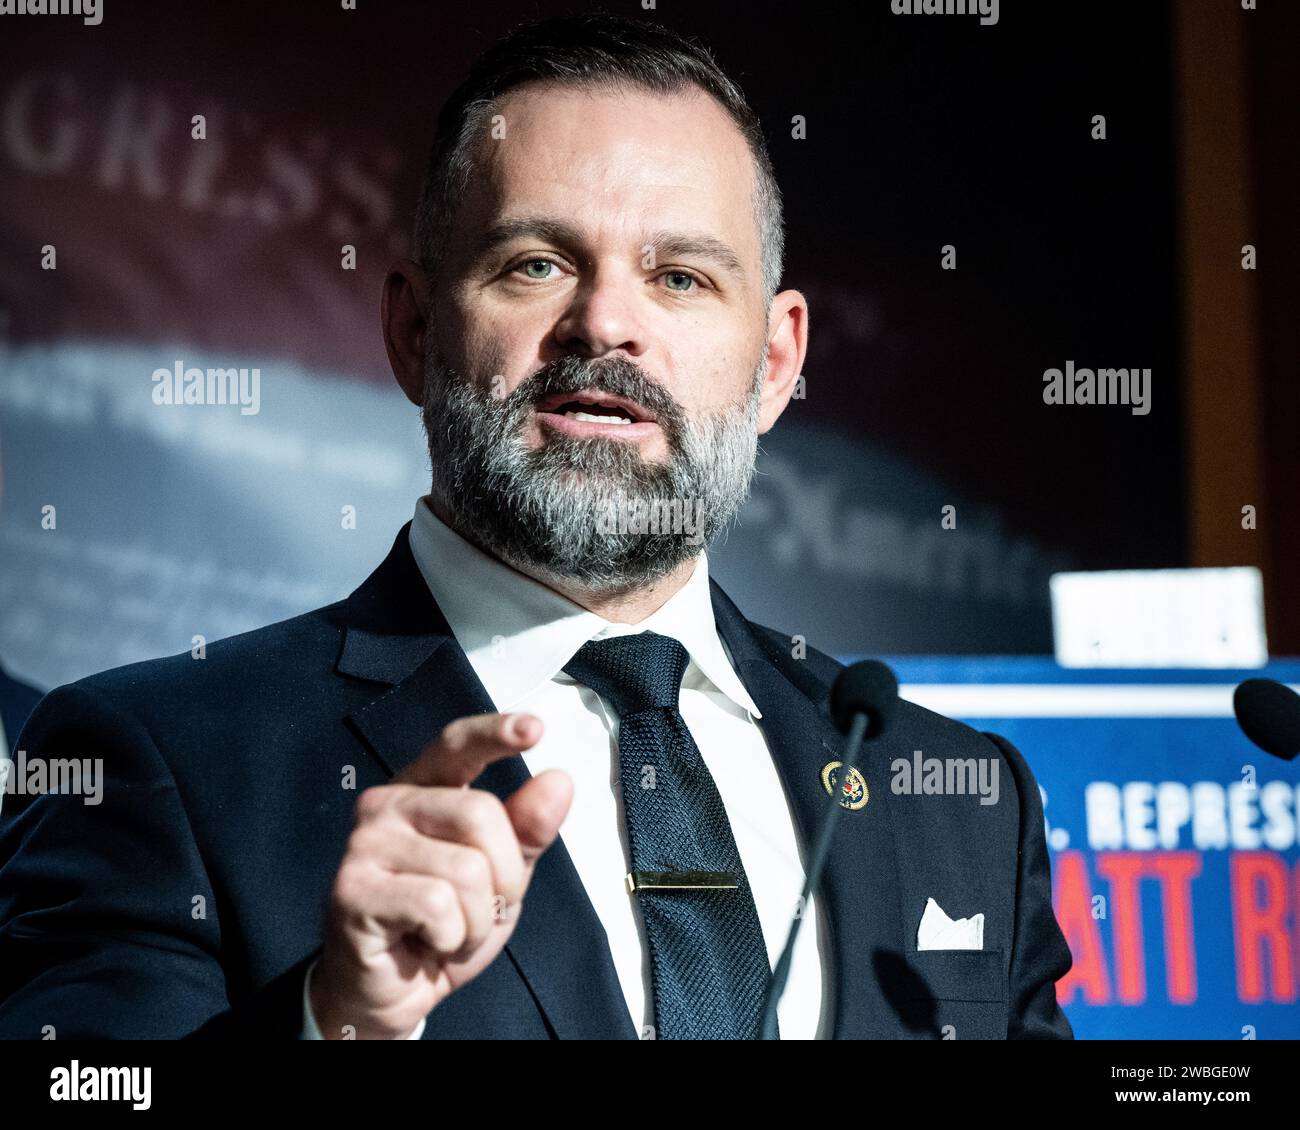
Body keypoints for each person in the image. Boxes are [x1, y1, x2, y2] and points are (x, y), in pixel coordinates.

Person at [0, 12, 1072, 1040]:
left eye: (680, 276)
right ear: (416, 329)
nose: (605, 321)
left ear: (777, 361)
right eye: (535, 264)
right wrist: (334, 1020)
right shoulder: (157, 759)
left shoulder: (961, 802)